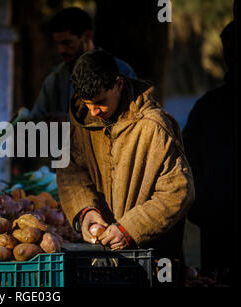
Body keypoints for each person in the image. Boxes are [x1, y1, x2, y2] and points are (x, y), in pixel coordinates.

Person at [57, 50, 195, 285]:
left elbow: (179, 191)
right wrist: (86, 211)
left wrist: (130, 228)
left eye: (100, 103)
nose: (93, 112)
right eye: (87, 103)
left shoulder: (154, 126)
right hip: (103, 264)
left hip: (153, 263)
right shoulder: (80, 121)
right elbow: (71, 173)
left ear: (118, 84)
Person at [182, 20, 236, 286]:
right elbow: (185, 161)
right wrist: (201, 208)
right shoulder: (208, 108)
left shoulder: (207, 107)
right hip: (217, 230)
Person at [30, 7, 137, 122]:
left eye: (67, 43)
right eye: (58, 44)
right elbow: (35, 118)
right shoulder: (55, 79)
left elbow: (132, 117)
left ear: (87, 36)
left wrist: (70, 121)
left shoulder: (122, 71)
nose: (61, 50)